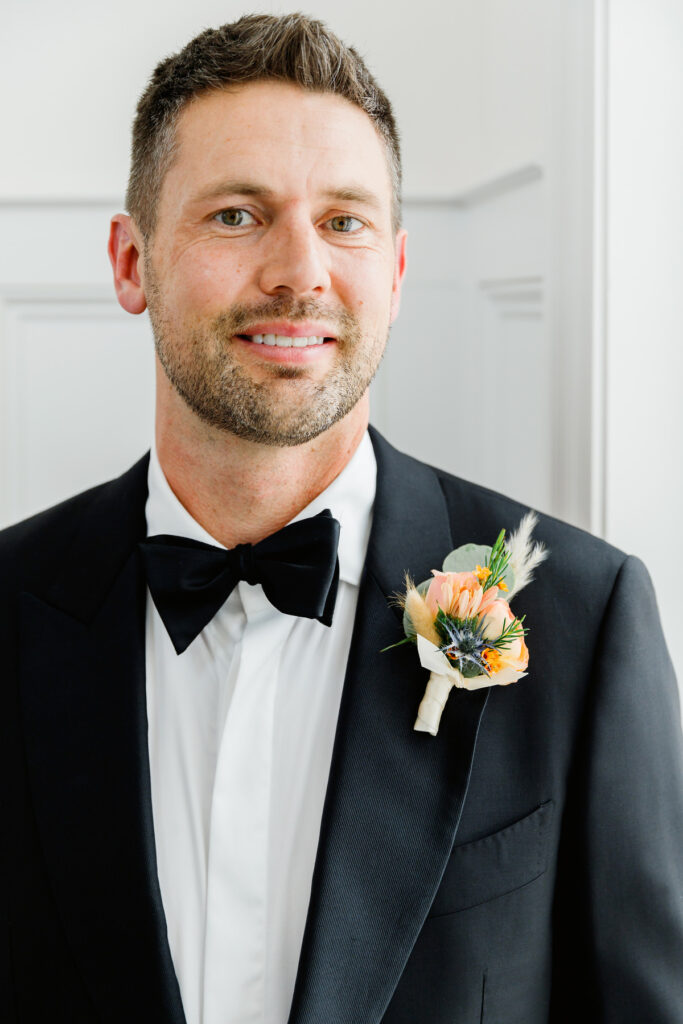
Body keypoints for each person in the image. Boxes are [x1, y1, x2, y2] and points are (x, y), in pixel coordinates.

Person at [2, 13, 682, 1024]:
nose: (299, 271)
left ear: (397, 273)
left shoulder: (584, 621)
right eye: (236, 214)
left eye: (345, 221)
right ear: (130, 262)